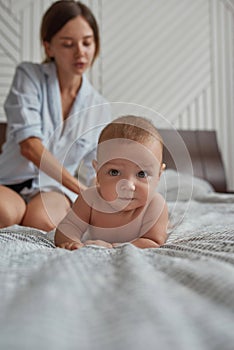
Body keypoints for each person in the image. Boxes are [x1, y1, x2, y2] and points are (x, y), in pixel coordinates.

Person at [0, 1, 111, 230]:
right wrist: (81, 190)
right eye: (68, 44)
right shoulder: (28, 76)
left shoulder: (99, 107)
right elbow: (29, 146)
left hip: (53, 189)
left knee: (42, 221)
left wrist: (107, 204)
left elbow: (93, 169)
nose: (81, 52)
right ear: (48, 47)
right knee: (5, 213)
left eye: (87, 43)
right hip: (10, 182)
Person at [55, 115, 169, 249]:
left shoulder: (155, 205)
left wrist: (112, 247)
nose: (127, 185)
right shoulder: (90, 199)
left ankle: (168, 223)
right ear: (97, 172)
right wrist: (73, 242)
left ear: (159, 175)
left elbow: (153, 242)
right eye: (114, 172)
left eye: (141, 174)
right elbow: (67, 228)